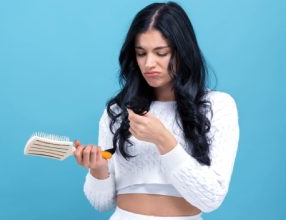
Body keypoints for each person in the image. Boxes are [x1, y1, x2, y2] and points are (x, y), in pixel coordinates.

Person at [73, 2, 239, 220]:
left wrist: (163, 140)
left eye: (161, 53)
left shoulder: (218, 106)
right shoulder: (118, 111)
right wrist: (98, 170)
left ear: (183, 52)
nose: (149, 63)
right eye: (141, 53)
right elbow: (101, 202)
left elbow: (210, 199)